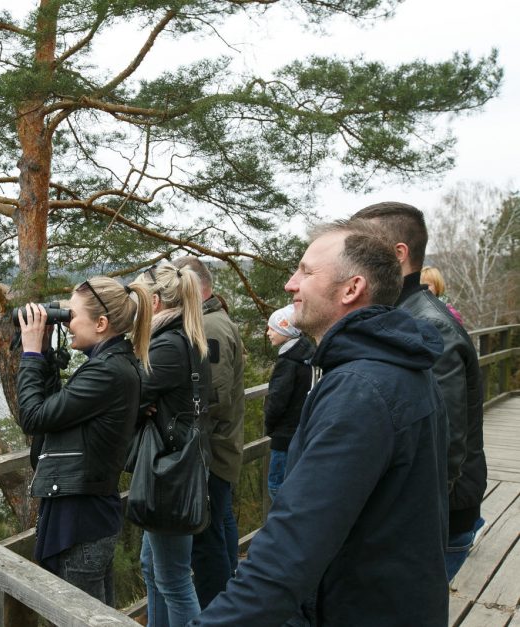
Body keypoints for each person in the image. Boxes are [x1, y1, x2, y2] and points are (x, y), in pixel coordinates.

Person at [191, 221, 449, 626]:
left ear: (352, 289)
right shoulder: (401, 366)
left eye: (306, 272)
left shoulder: (360, 391)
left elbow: (288, 551)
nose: (291, 284)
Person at [353, 202, 486, 580]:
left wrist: (400, 524)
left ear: (399, 254)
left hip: (434, 521)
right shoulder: (399, 314)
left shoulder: (430, 327)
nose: (352, 255)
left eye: (362, 245)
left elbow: (444, 445)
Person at [16, 276, 152, 605]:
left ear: (102, 323)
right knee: (96, 613)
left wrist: (31, 354)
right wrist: (46, 353)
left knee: (80, 615)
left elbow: (32, 417)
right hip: (88, 514)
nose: (68, 323)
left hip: (81, 519)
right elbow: (52, 414)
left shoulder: (107, 372)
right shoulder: (112, 364)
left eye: (72, 315)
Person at [130, 262, 211, 626]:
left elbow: (123, 394)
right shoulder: (186, 337)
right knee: (154, 567)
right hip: (181, 464)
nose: (136, 309)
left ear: (158, 302)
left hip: (169, 473)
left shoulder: (166, 347)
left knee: (174, 579)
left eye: (140, 300)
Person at [173, 255, 246, 606]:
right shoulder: (212, 321)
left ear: (193, 286)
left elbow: (211, 396)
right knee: (217, 530)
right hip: (218, 447)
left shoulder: (210, 327)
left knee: (207, 541)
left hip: (212, 452)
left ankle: (216, 610)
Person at [262, 304, 313, 499]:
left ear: (286, 329)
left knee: (277, 488)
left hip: (284, 438)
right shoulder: (306, 356)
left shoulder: (287, 363)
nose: (268, 332)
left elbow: (276, 401)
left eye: (272, 328)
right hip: (300, 435)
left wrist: (270, 428)